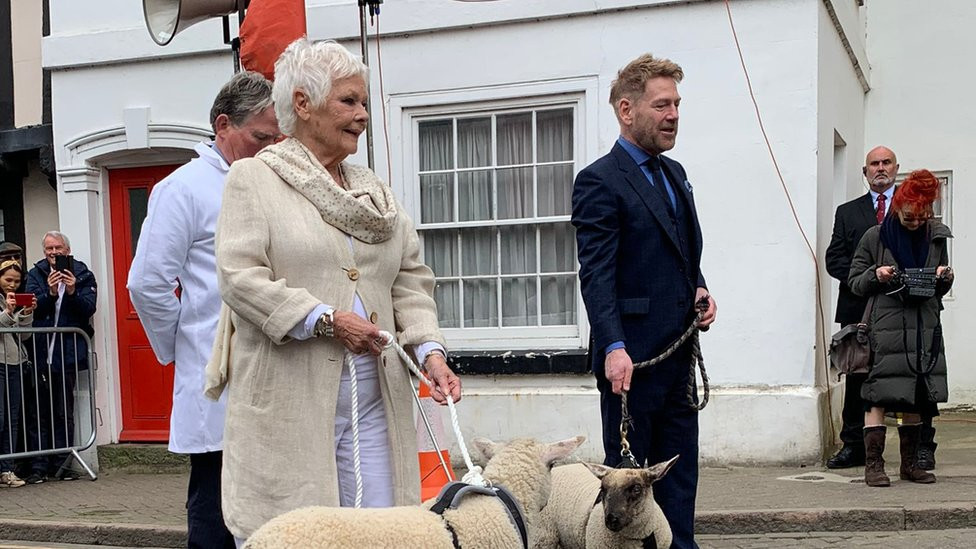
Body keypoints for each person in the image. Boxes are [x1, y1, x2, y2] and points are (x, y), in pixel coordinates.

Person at [206, 38, 462, 543]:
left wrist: (429, 349)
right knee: (299, 533)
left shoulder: (375, 192)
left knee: (382, 532)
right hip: (289, 404)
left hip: (376, 401)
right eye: (349, 101)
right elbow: (240, 276)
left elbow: (409, 277)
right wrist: (324, 317)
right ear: (302, 104)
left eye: (364, 102)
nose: (362, 114)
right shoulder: (253, 179)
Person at [126, 71, 278, 548]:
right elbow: (147, 283)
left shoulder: (269, 181)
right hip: (220, 383)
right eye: (260, 137)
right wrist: (185, 345)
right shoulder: (184, 188)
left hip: (272, 376)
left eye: (277, 138)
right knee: (215, 511)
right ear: (223, 125)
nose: (270, 147)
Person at [572, 53, 716, 549]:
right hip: (630, 363)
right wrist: (612, 346)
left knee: (679, 480)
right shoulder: (599, 180)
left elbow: (678, 252)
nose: (674, 113)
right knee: (628, 493)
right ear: (626, 111)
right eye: (662, 105)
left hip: (677, 359)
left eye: (676, 103)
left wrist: (697, 286)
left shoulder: (675, 174)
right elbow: (597, 274)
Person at [848, 169, 952, 487]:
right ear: (899, 208)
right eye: (910, 217)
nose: (916, 223)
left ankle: (909, 465)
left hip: (924, 327)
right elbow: (854, 282)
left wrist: (944, 279)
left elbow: (939, 289)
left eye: (922, 217)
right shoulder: (875, 237)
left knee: (917, 397)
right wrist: (875, 275)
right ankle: (874, 466)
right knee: (877, 396)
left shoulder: (935, 235)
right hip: (887, 329)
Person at [824, 145, 897, 469]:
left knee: (907, 374)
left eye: (886, 163)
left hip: (900, 308)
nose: (880, 168)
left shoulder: (911, 209)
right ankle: (853, 445)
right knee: (856, 379)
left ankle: (919, 447)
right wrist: (864, 277)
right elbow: (834, 259)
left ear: (896, 168)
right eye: (873, 164)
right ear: (865, 172)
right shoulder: (847, 211)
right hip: (858, 309)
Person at [23, 231, 97, 484]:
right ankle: (39, 465)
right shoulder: (35, 274)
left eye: (58, 248)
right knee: (39, 411)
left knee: (63, 411)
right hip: (40, 352)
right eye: (48, 249)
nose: (53, 253)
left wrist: (73, 291)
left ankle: (61, 464)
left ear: (67, 249)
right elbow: (31, 306)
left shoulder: (83, 274)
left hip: (66, 354)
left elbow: (88, 308)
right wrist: (51, 294)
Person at [0, 259, 35, 487]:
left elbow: (24, 336)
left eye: (17, 281)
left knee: (12, 419)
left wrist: (26, 314)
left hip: (14, 362)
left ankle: (7, 470)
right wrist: (7, 312)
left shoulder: (12, 301)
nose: (12, 285)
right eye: (7, 280)